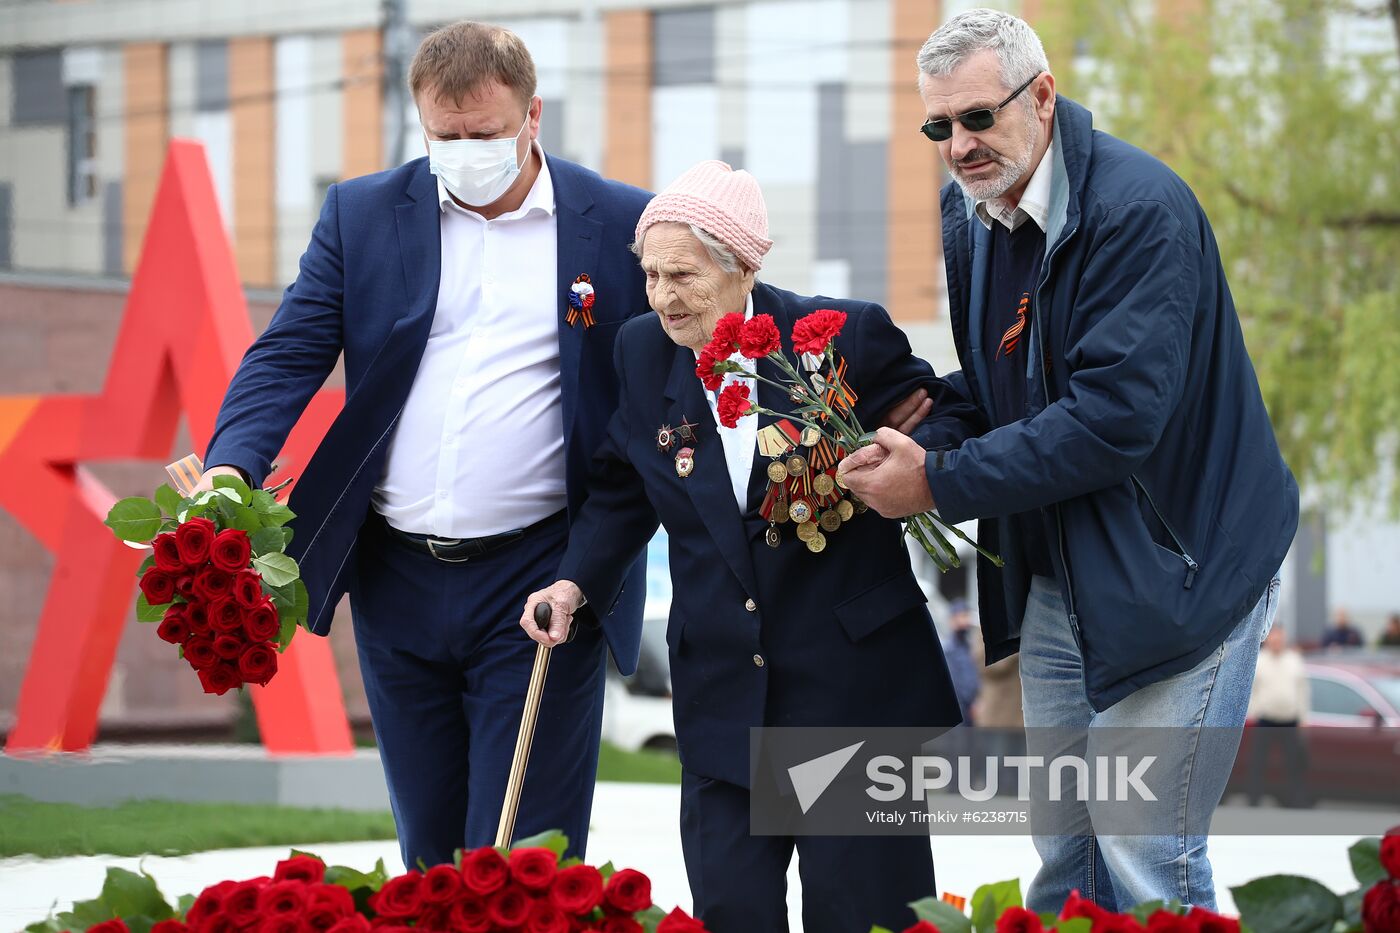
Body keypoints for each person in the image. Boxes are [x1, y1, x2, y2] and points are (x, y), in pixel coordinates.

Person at [838, 8, 1299, 914]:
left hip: (1181, 571)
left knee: (1143, 846)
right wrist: (920, 437)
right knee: (1064, 850)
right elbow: (1005, 390)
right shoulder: (974, 212)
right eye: (938, 126)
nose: (959, 145)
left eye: (977, 118)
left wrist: (933, 481)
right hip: (1059, 575)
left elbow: (1110, 419)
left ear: (1042, 95)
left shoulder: (1138, 209)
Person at [196, 22, 658, 868]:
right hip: (396, 580)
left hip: (542, 581)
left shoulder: (620, 222)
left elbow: (659, 385)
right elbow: (289, 351)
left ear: (532, 117)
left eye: (483, 135)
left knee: (522, 860)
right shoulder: (365, 214)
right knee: (431, 856)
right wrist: (232, 466)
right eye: (443, 137)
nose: (463, 153)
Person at [520, 160, 974, 933]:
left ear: (743, 266)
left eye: (683, 275)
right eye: (651, 275)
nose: (662, 295)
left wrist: (904, 456)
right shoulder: (642, 352)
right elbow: (624, 486)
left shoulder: (840, 336)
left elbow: (950, 413)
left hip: (848, 693)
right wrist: (574, 583)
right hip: (725, 692)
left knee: (860, 913)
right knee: (733, 908)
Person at [1245, 626, 1311, 807]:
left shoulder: (1294, 660)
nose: (1276, 642)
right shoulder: (1259, 661)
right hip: (1265, 719)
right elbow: (1250, 690)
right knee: (1258, 762)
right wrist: (1253, 711)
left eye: (1279, 638)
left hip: (1289, 720)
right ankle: (1254, 799)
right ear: (1268, 640)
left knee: (1293, 763)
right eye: (1273, 638)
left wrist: (1303, 717)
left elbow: (1303, 690)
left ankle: (1295, 800)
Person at [943, 598, 983, 723]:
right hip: (959, 707)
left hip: (974, 707)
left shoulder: (971, 645)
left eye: (966, 616)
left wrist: (976, 700)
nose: (964, 621)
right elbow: (954, 682)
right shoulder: (948, 649)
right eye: (961, 616)